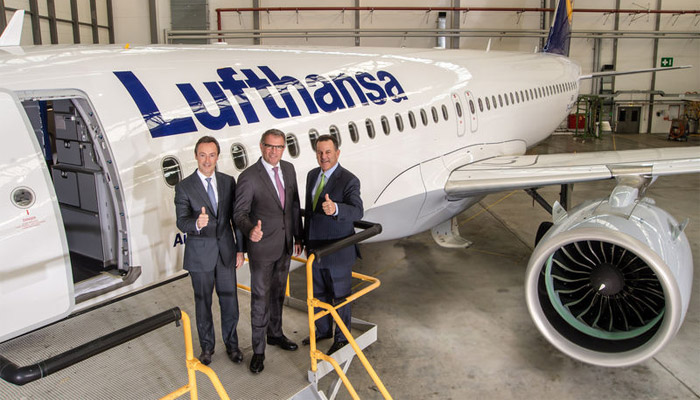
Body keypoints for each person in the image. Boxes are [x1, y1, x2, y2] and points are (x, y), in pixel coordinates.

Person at [234, 129, 303, 374]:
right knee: (260, 300)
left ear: (284, 148)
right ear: (262, 146)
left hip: (285, 245)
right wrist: (250, 230)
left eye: (279, 147)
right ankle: (259, 351)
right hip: (262, 248)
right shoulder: (249, 177)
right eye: (270, 146)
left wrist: (298, 236)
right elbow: (239, 213)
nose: (274, 151)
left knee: (277, 295)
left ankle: (275, 334)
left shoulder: (289, 169)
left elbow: (294, 205)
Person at [174, 135, 246, 366]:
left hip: (225, 252)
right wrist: (196, 223)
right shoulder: (184, 187)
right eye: (203, 155)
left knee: (230, 301)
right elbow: (181, 221)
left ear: (217, 157)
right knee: (203, 302)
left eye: (212, 155)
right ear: (196, 156)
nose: (207, 160)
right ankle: (207, 348)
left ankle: (232, 345)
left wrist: (240, 250)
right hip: (200, 255)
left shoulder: (228, 182)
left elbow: (236, 218)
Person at [303, 134, 363, 355]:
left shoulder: (349, 180)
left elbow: (357, 211)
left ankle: (342, 338)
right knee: (318, 295)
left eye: (328, 152)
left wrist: (336, 208)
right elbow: (309, 213)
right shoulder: (312, 175)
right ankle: (323, 330)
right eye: (320, 152)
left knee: (340, 297)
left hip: (337, 251)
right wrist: (304, 240)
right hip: (315, 250)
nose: (324, 157)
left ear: (337, 153)